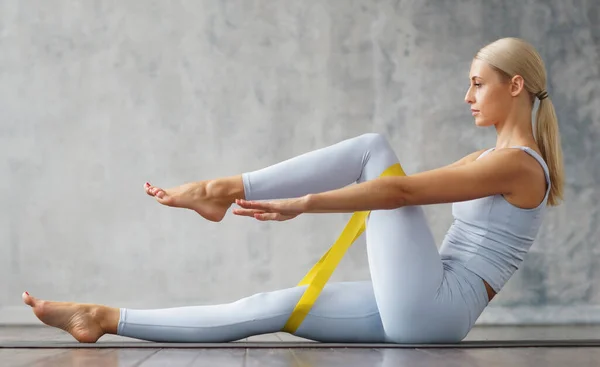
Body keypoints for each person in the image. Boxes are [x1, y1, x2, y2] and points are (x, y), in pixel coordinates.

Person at [22, 37, 564, 344]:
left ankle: (222, 188)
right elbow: (394, 193)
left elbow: (398, 194)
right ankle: (104, 318)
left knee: (373, 149)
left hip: (436, 308)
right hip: (424, 302)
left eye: (477, 81)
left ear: (514, 86)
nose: (466, 94)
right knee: (271, 306)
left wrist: (303, 204)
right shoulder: (487, 159)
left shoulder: (520, 166)